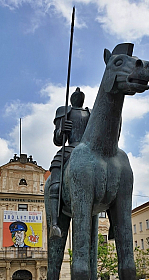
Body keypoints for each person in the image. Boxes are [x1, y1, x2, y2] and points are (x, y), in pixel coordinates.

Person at [49, 87, 91, 238]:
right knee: (56, 167)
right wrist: (62, 130)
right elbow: (57, 140)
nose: (78, 95)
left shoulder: (91, 112)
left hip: (89, 149)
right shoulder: (64, 111)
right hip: (71, 148)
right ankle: (54, 223)